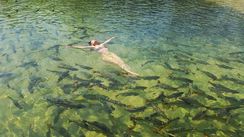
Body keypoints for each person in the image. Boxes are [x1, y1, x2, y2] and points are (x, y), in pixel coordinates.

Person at [67, 37, 139, 77]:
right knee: (117, 63)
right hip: (105, 57)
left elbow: (107, 41)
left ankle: (127, 71)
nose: (95, 40)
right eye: (93, 41)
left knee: (121, 61)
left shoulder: (101, 44)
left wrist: (112, 38)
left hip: (110, 53)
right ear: (92, 43)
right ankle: (131, 72)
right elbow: (82, 47)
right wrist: (72, 46)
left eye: (95, 40)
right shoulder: (93, 47)